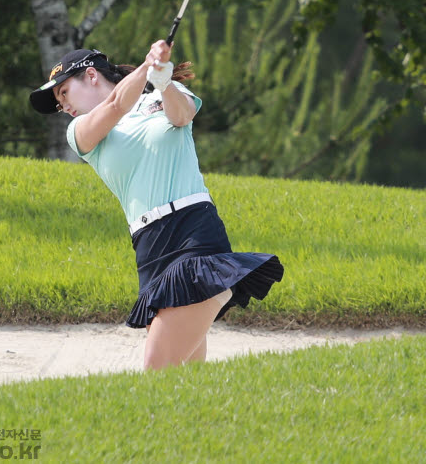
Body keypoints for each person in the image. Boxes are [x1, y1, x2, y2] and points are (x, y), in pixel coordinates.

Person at [29, 41, 284, 370]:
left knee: (157, 369)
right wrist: (147, 67)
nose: (62, 105)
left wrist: (162, 81)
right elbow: (118, 103)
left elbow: (182, 116)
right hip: (149, 250)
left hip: (193, 234)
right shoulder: (79, 131)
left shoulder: (164, 93)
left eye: (63, 92)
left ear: (90, 75)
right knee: (183, 378)